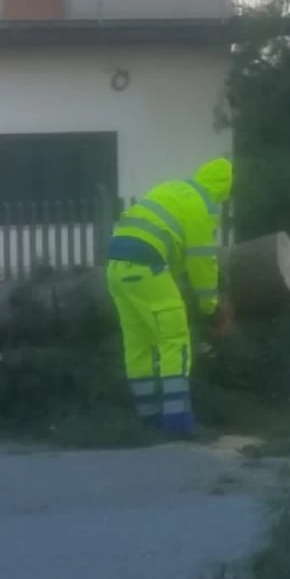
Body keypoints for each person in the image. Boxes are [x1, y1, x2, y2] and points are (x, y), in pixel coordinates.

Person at [104, 158, 235, 438]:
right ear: (222, 192)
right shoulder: (201, 207)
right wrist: (210, 307)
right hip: (147, 264)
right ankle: (178, 423)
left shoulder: (172, 189)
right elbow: (202, 262)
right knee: (174, 339)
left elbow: (170, 244)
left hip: (115, 265)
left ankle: (148, 420)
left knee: (139, 343)